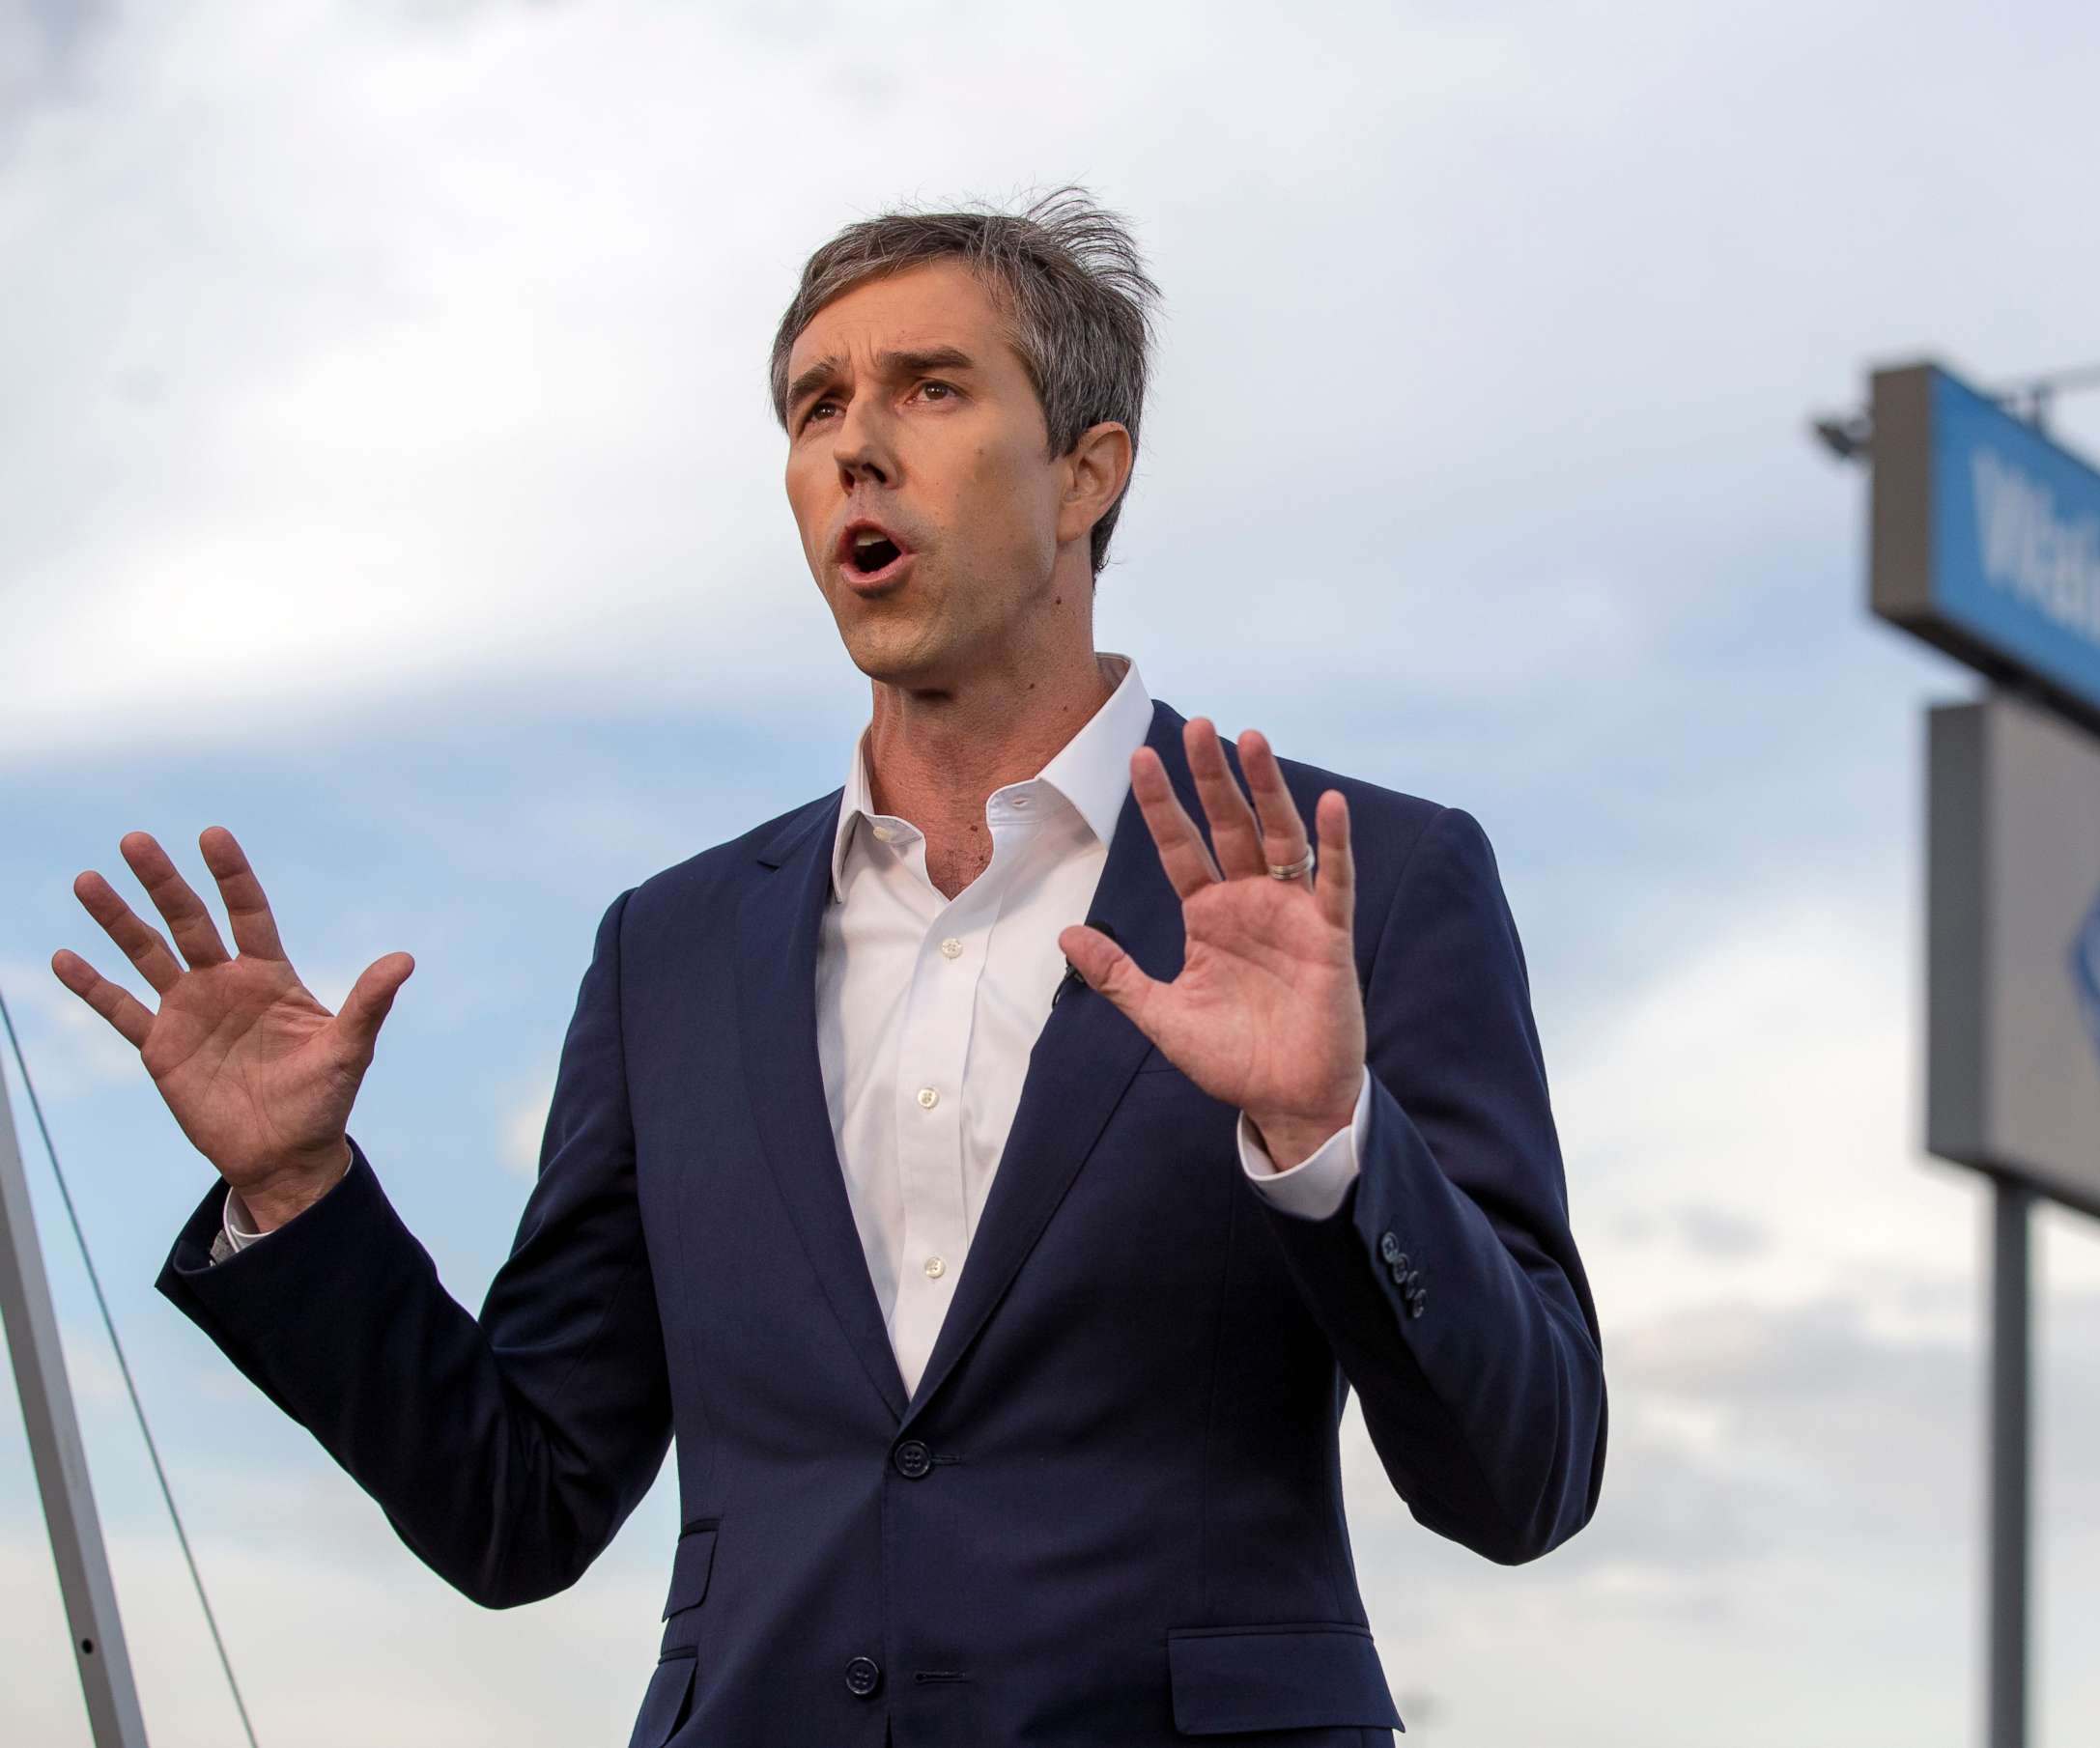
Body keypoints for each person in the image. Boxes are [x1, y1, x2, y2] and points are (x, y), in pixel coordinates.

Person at [53, 187, 1606, 1748]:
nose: (856, 443)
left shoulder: (1363, 884)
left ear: (1088, 471)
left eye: (932, 387)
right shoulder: (667, 949)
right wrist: (299, 1194)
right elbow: (517, 1506)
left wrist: (1331, 1142)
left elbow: (1525, 1474)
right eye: (817, 405)